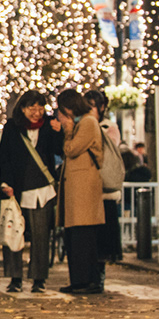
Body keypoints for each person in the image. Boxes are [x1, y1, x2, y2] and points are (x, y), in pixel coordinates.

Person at [0, 90, 61, 293]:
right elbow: (4, 156)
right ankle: (15, 277)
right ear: (22, 108)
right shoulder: (12, 128)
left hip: (44, 190)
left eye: (40, 108)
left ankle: (39, 278)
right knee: (13, 232)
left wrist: (60, 131)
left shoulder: (50, 127)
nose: (36, 112)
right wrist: (6, 182)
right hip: (17, 188)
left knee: (41, 236)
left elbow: (61, 150)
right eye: (32, 108)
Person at [55, 89, 106, 294]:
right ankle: (80, 279)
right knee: (76, 236)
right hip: (78, 189)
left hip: (84, 189)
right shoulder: (83, 122)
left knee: (82, 237)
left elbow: (71, 149)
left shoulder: (87, 122)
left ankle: (85, 281)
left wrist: (67, 129)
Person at [84, 89, 122, 288]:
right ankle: (89, 274)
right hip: (86, 189)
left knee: (102, 237)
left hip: (104, 190)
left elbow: (108, 151)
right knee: (89, 236)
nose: (89, 110)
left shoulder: (108, 127)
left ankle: (99, 275)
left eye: (92, 106)